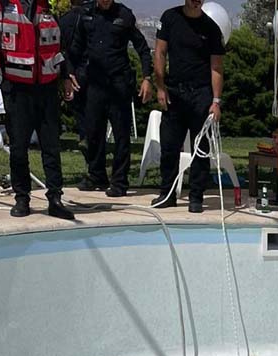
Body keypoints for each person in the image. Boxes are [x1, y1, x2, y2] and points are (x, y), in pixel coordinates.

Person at [0, 0, 78, 220]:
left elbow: (61, 45)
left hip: (47, 86)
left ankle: (55, 198)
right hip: (16, 86)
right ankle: (22, 198)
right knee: (19, 147)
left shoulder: (49, 4)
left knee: (51, 145)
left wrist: (66, 75)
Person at [68, 0, 152, 196]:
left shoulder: (124, 15)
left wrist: (147, 78)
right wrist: (69, 72)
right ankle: (97, 175)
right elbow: (76, 47)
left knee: (121, 135)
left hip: (118, 84)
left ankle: (120, 182)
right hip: (94, 84)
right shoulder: (86, 13)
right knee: (93, 132)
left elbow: (142, 48)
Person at [151, 0, 224, 213]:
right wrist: (160, 87)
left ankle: (196, 197)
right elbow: (159, 53)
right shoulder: (170, 18)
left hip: (201, 94)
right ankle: (167, 194)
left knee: (200, 149)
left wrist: (216, 101)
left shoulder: (211, 28)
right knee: (169, 146)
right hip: (174, 91)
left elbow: (217, 67)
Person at [59, 0, 90, 171]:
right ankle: (90, 143)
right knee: (94, 114)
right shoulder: (90, 17)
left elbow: (61, 49)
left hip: (74, 72)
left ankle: (85, 139)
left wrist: (67, 73)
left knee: (81, 113)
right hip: (91, 70)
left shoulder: (64, 20)